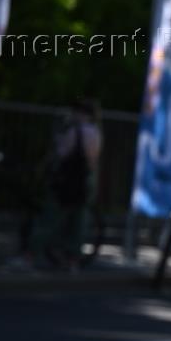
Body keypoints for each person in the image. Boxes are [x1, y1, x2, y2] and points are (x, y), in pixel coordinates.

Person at [26, 99, 102, 270]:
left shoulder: (75, 131)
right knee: (78, 222)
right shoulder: (96, 133)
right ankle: (72, 259)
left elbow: (61, 154)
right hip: (85, 182)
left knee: (51, 218)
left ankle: (30, 255)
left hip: (66, 182)